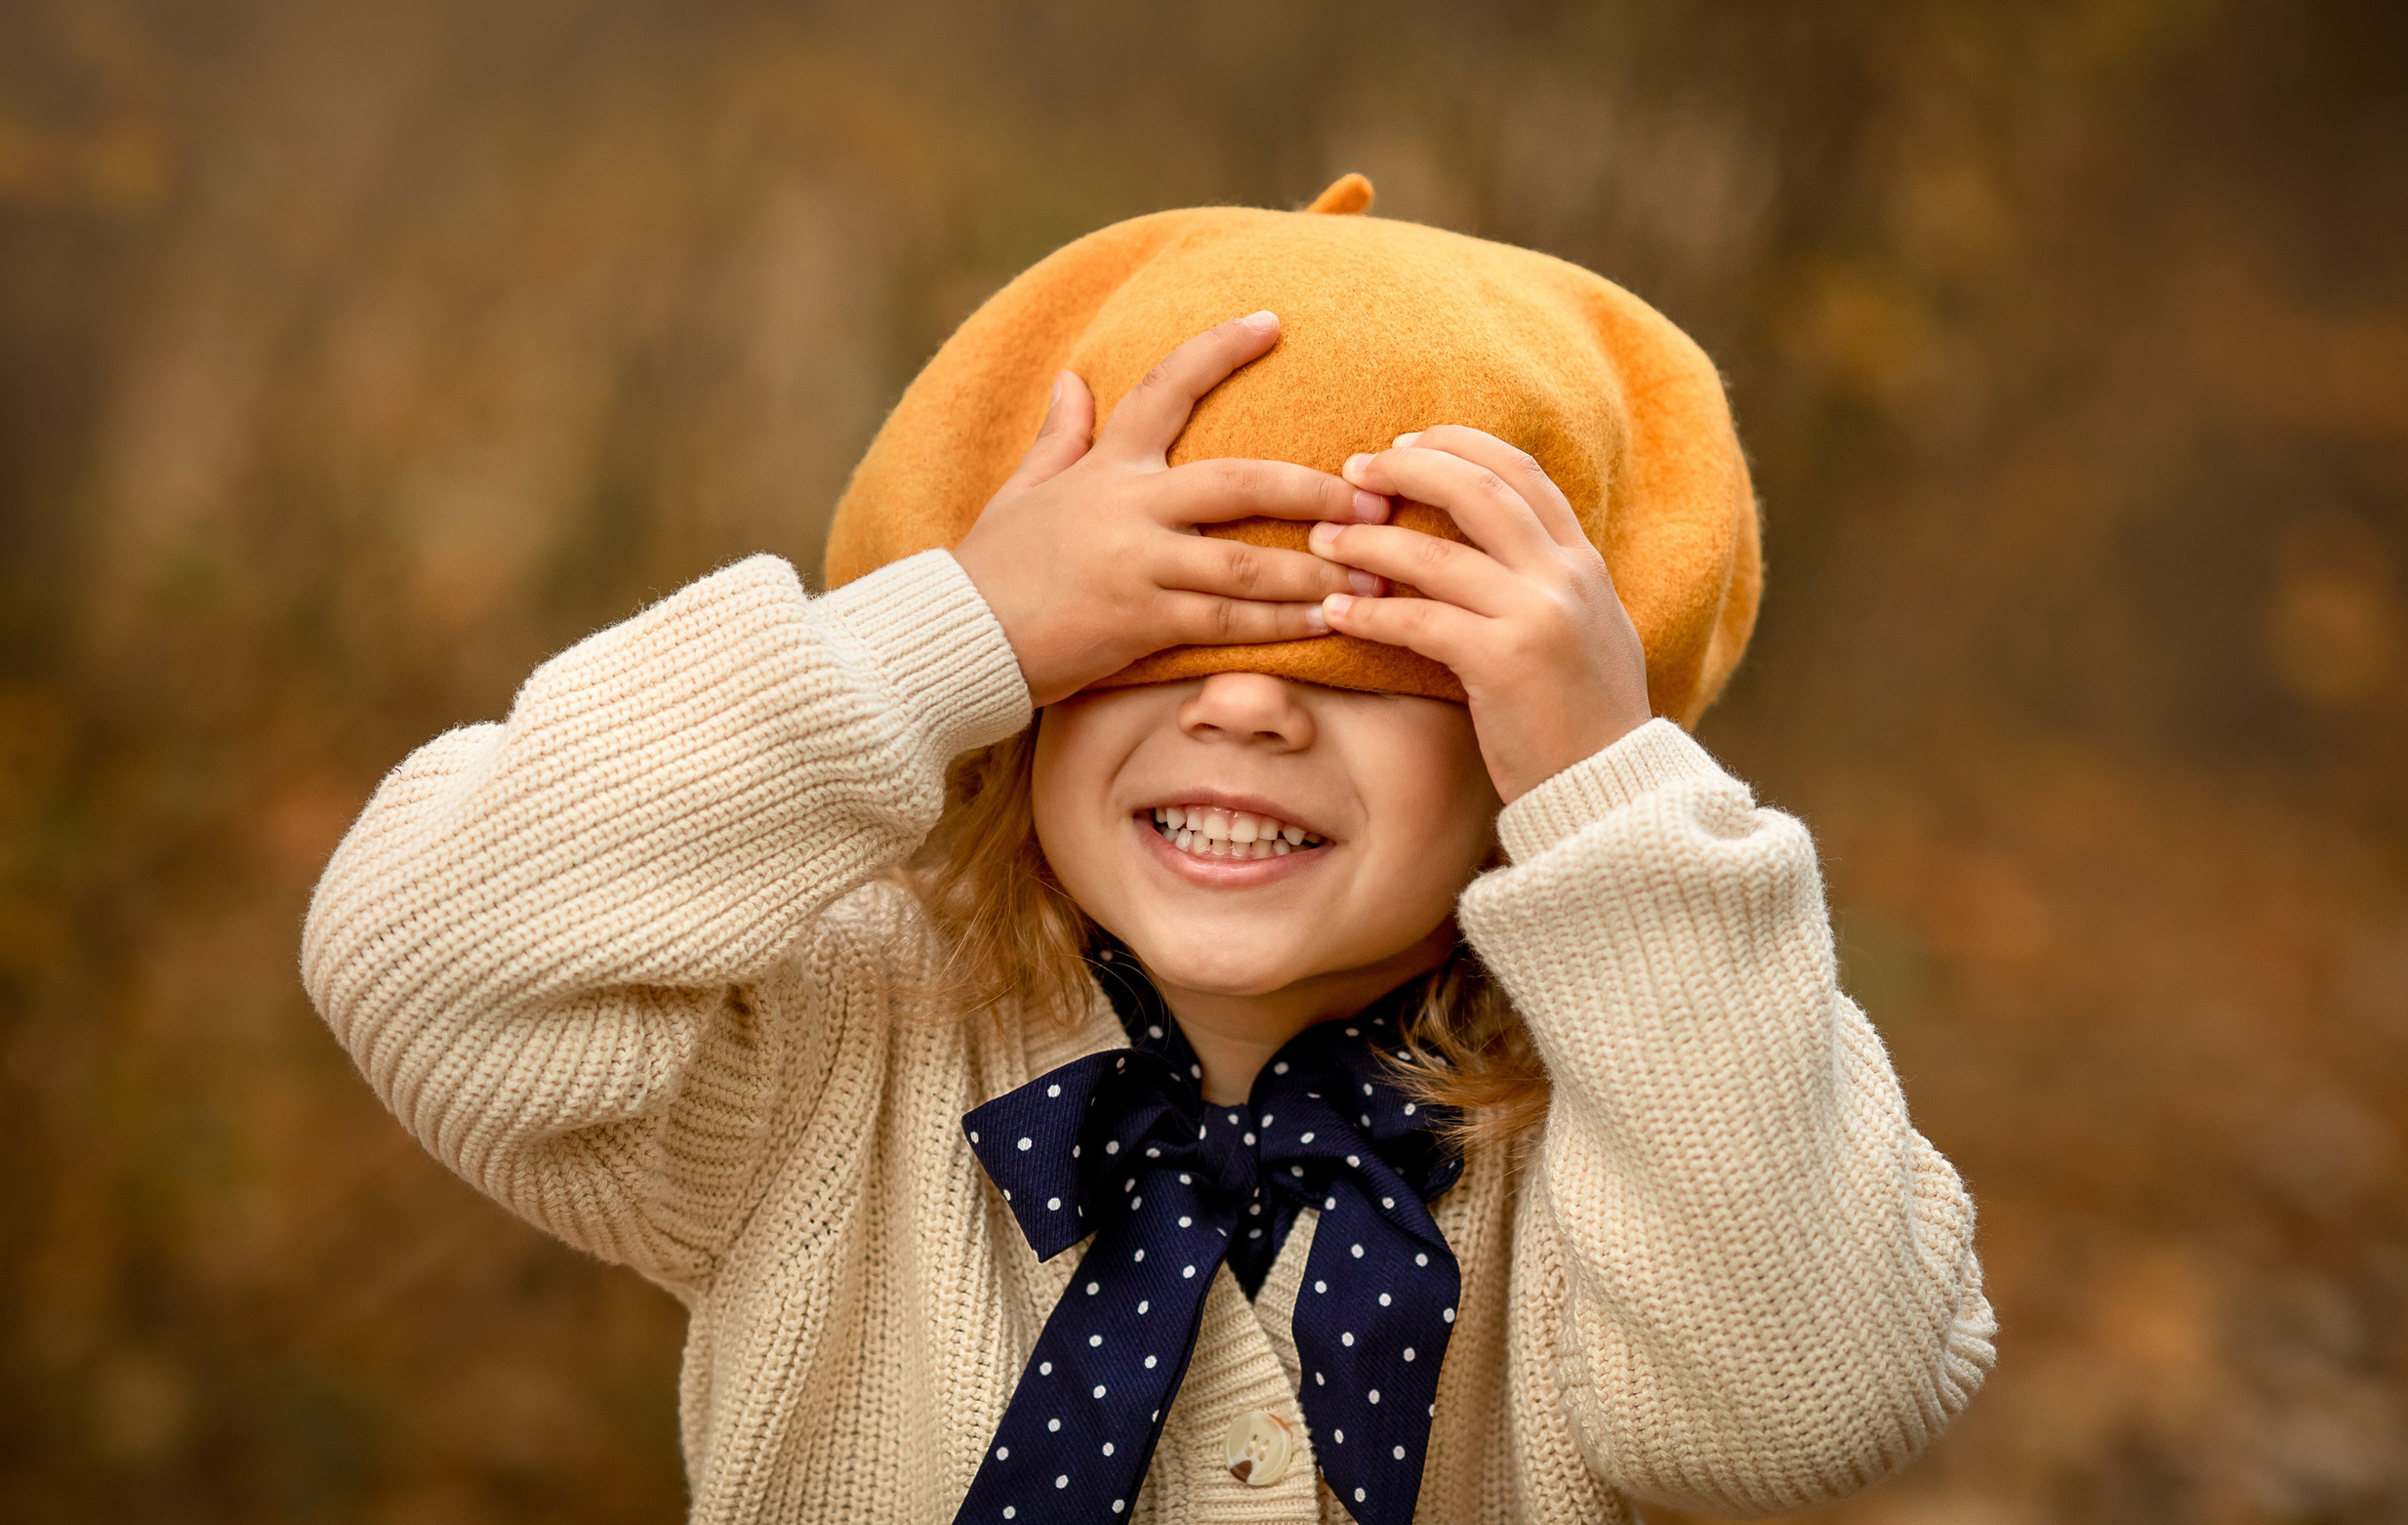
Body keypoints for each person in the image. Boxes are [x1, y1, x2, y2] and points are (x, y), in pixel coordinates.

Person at [303, 177, 1994, 1525]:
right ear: (1026, 699)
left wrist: (1619, 807)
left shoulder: (1637, 1115)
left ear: (1520, 752)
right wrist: (944, 630)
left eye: (1375, 664)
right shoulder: (833, 1050)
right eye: (1143, 648)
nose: (1246, 712)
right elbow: (424, 955)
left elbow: (1807, 1404)